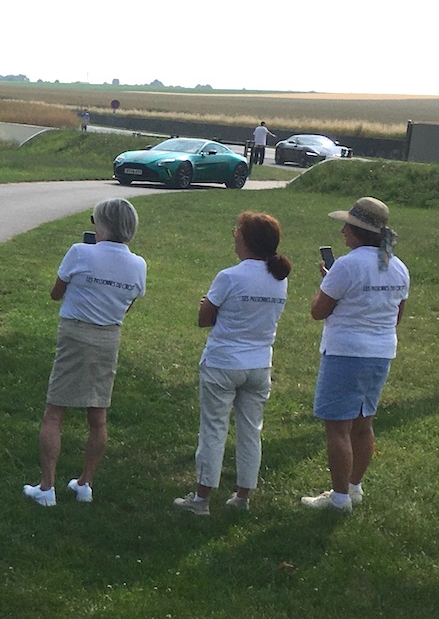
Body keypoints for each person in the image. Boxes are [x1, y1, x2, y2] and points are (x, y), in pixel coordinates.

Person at [25, 197, 146, 506]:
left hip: (76, 334)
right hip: (109, 337)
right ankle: (85, 483)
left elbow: (56, 293)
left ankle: (47, 487)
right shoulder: (138, 265)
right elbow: (127, 305)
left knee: (55, 413)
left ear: (102, 224)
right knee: (98, 416)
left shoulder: (80, 252)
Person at [173, 212, 291, 516]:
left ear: (247, 241)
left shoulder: (229, 276)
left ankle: (201, 499)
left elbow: (204, 319)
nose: (234, 235)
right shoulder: (279, 278)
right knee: (251, 431)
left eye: (238, 231)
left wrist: (207, 306)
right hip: (259, 364)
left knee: (213, 429)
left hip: (223, 362)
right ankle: (242, 496)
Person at [301, 196, 409, 513]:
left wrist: (326, 284)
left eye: (346, 226)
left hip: (346, 353)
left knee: (338, 429)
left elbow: (318, 311)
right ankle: (353, 487)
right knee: (363, 425)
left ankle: (338, 499)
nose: (342, 232)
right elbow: (396, 316)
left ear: (358, 230)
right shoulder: (397, 266)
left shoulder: (346, 265)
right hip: (381, 353)